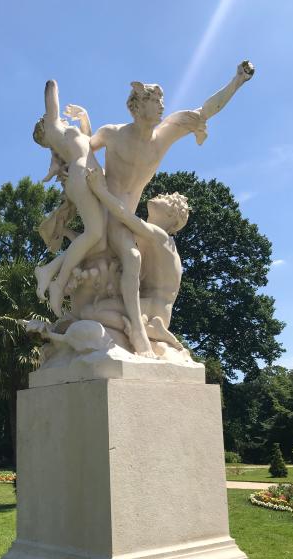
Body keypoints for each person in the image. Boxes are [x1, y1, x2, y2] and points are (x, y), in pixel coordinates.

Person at [64, 61, 254, 355]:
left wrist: (237, 81)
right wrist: (85, 120)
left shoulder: (165, 135)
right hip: (107, 209)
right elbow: (86, 151)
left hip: (127, 214)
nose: (162, 106)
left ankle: (128, 325)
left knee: (130, 261)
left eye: (162, 100)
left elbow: (206, 110)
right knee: (131, 256)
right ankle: (138, 334)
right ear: (138, 105)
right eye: (155, 100)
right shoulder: (113, 133)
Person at [83, 167, 190, 350]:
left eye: (165, 198)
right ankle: (150, 329)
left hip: (152, 307)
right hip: (156, 309)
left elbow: (123, 215)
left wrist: (99, 189)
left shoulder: (160, 236)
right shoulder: (157, 241)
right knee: (92, 310)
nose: (159, 195)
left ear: (171, 214)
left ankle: (143, 331)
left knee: (90, 311)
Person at [32, 80, 106, 317]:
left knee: (102, 236)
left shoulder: (68, 134)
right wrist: (52, 85)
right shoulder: (54, 130)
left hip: (90, 179)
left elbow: (89, 140)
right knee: (95, 232)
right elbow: (51, 91)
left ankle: (50, 270)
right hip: (81, 179)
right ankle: (57, 282)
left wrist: (83, 116)